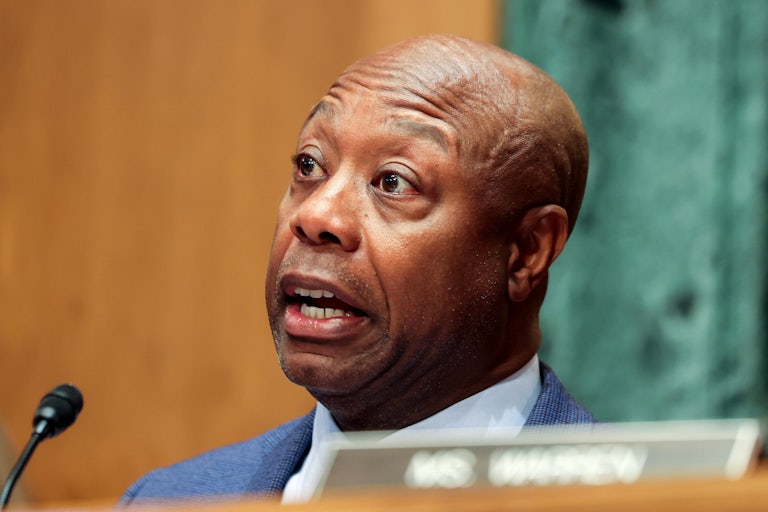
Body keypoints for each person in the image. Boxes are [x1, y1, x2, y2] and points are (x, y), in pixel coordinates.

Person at [120, 33, 593, 506]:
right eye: (310, 166)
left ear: (527, 251)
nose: (316, 216)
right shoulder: (166, 500)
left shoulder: (640, 498)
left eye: (393, 182)